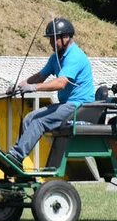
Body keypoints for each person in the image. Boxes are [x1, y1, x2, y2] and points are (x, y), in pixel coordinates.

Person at [6, 17, 95, 164]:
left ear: (66, 37)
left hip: (80, 107)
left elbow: (60, 83)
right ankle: (17, 159)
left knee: (39, 121)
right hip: (67, 105)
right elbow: (41, 76)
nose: (51, 43)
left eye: (54, 39)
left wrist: (34, 88)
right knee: (30, 118)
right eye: (50, 39)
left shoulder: (75, 56)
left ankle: (16, 156)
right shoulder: (56, 57)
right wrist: (19, 86)